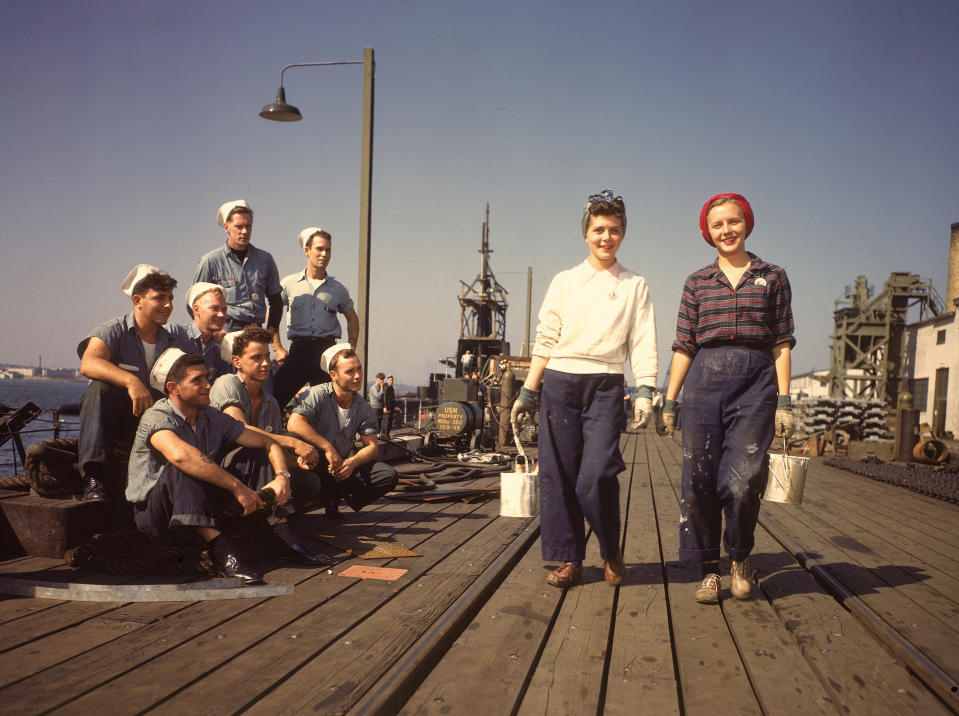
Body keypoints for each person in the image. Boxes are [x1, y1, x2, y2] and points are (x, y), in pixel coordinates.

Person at [512, 190, 658, 588]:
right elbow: (546, 338)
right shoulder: (565, 281)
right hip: (559, 381)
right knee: (559, 474)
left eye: (613, 230)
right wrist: (528, 391)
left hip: (606, 385)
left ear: (623, 233)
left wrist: (645, 389)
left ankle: (611, 549)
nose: (605, 237)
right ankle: (569, 559)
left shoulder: (634, 285)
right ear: (585, 233)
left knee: (596, 474)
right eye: (598, 229)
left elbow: (643, 341)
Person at [662, 192, 795, 604]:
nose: (726, 230)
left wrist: (785, 402)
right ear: (708, 232)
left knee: (743, 480)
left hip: (756, 386)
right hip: (703, 385)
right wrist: (670, 400)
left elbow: (783, 342)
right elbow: (684, 344)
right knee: (699, 480)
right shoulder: (697, 282)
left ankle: (739, 557)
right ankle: (707, 570)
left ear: (746, 224)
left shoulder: (772, 276)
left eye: (733, 221)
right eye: (717, 224)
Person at [126, 349, 294, 584]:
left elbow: (267, 441)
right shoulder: (156, 416)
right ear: (174, 389)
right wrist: (238, 488)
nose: (207, 385)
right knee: (182, 466)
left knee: (254, 454)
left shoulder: (210, 416)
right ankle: (224, 554)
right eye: (197, 380)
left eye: (207, 377)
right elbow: (181, 456)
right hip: (157, 519)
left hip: (199, 507)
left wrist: (282, 476)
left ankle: (281, 535)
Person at [209, 326, 331, 564]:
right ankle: (284, 539)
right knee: (255, 452)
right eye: (256, 358)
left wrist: (299, 462)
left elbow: (274, 450)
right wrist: (293, 442)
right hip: (223, 472)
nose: (265, 363)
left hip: (256, 471)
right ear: (237, 361)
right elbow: (240, 429)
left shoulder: (271, 403)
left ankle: (266, 530)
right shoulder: (226, 383)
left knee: (309, 480)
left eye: (267, 356)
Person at [76, 265, 187, 502]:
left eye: (170, 298)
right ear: (137, 300)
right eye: (159, 298)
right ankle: (95, 477)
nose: (168, 305)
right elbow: (89, 363)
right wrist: (131, 381)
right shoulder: (112, 330)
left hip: (154, 421)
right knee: (99, 389)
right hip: (119, 421)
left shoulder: (174, 340)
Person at [286, 343, 398, 515]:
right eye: (350, 372)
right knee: (307, 477)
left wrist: (351, 464)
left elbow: (372, 447)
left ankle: (343, 495)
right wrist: (327, 447)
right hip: (314, 461)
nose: (357, 376)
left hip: (342, 462)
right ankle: (316, 498)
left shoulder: (364, 407)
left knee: (387, 475)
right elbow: (294, 423)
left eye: (359, 369)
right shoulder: (317, 394)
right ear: (333, 375)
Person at [271, 227, 359, 409]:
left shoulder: (338, 289)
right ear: (307, 250)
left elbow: (352, 318)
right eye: (319, 249)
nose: (324, 254)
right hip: (298, 352)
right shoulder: (288, 284)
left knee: (327, 407)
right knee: (272, 398)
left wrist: (351, 347)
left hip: (326, 353)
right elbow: (273, 313)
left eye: (328, 250)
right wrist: (277, 347)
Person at [192, 200, 283, 336]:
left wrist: (271, 329)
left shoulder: (265, 259)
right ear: (226, 227)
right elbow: (194, 302)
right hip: (225, 333)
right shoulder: (211, 261)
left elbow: (276, 300)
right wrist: (210, 333)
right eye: (239, 227)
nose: (245, 231)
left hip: (256, 332)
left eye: (248, 226)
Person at [170, 282, 232, 383]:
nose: (221, 315)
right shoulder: (175, 333)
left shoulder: (220, 350)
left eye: (224, 310)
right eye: (214, 309)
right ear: (196, 309)